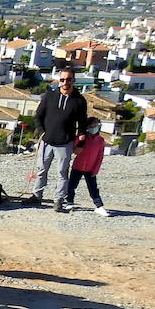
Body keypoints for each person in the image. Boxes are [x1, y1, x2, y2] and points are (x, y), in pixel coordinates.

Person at [27, 67, 86, 205]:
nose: (65, 82)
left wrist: (81, 144)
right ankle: (37, 196)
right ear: (59, 80)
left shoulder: (79, 101)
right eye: (63, 79)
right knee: (41, 170)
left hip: (65, 143)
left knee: (62, 172)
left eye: (69, 79)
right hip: (46, 142)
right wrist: (42, 132)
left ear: (74, 80)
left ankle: (58, 199)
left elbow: (82, 124)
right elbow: (38, 116)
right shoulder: (49, 96)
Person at [58, 117, 111, 216]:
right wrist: (79, 139)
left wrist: (96, 169)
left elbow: (100, 156)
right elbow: (74, 148)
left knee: (93, 188)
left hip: (90, 168)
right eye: (91, 126)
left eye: (95, 126)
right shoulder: (82, 137)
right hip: (78, 166)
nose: (93, 128)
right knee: (72, 185)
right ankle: (69, 201)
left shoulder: (100, 140)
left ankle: (99, 206)